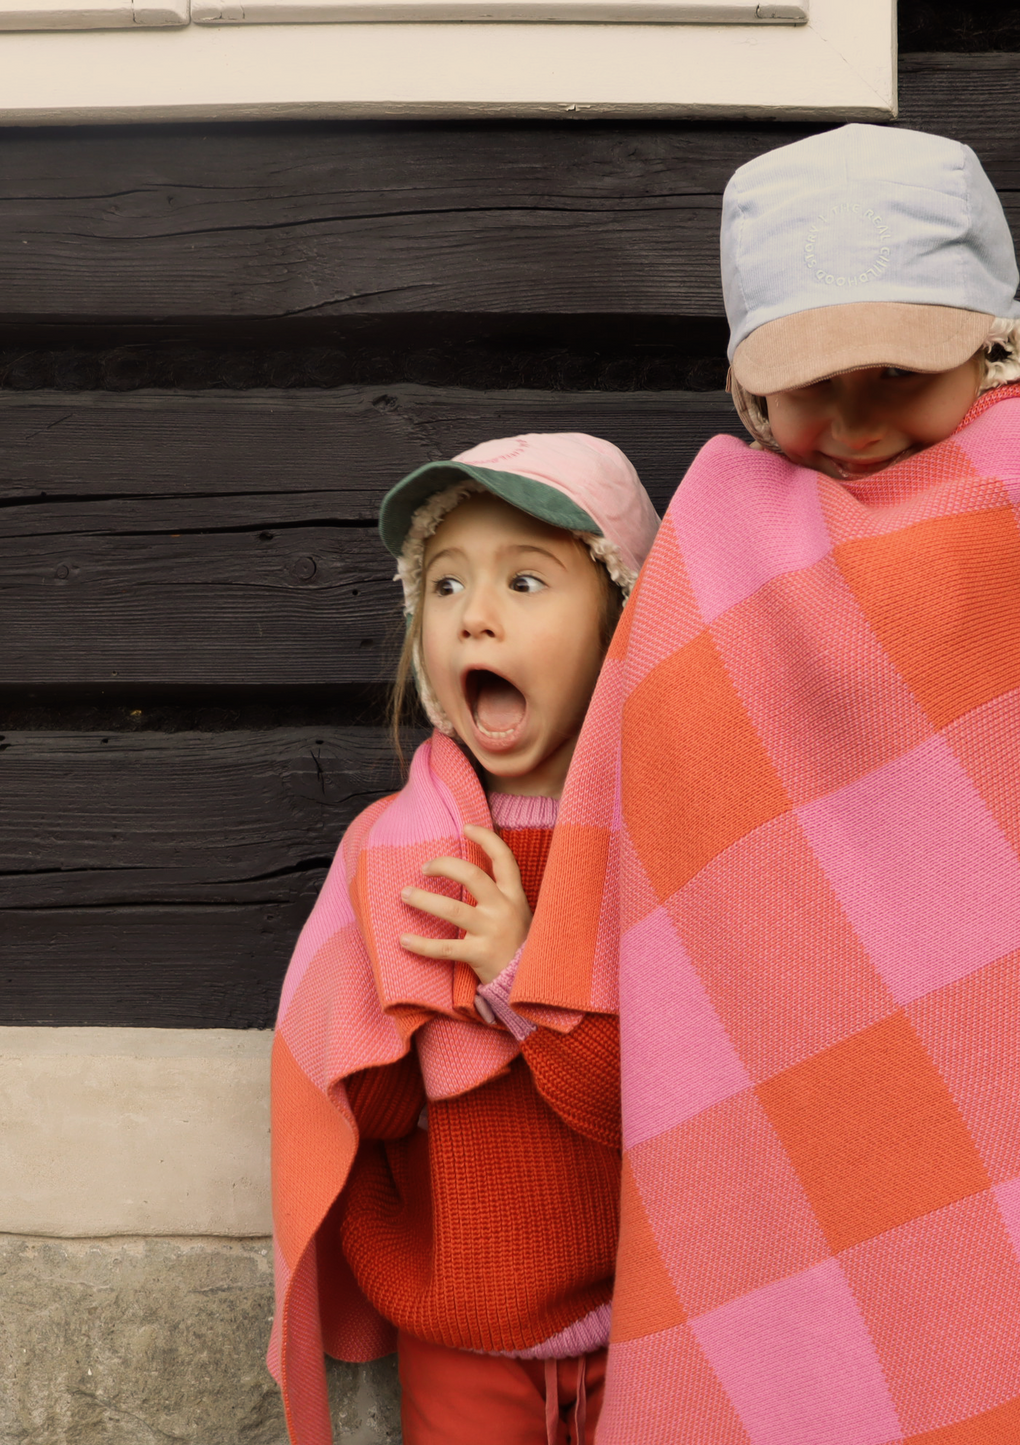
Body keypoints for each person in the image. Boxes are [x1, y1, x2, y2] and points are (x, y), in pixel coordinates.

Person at [514, 124, 1020, 1443]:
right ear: (743, 389)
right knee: (780, 1360)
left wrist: (724, 517)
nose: (861, 417)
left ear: (1001, 346)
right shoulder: (727, 522)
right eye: (810, 385)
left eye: (901, 368)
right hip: (773, 1060)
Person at [267, 433, 660, 1445]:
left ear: (621, 622)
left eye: (526, 580)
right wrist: (396, 1007)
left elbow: (648, 1104)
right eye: (445, 586)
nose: (475, 613)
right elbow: (379, 1112)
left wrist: (519, 973)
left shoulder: (654, 846)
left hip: (659, 1321)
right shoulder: (398, 847)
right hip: (467, 1325)